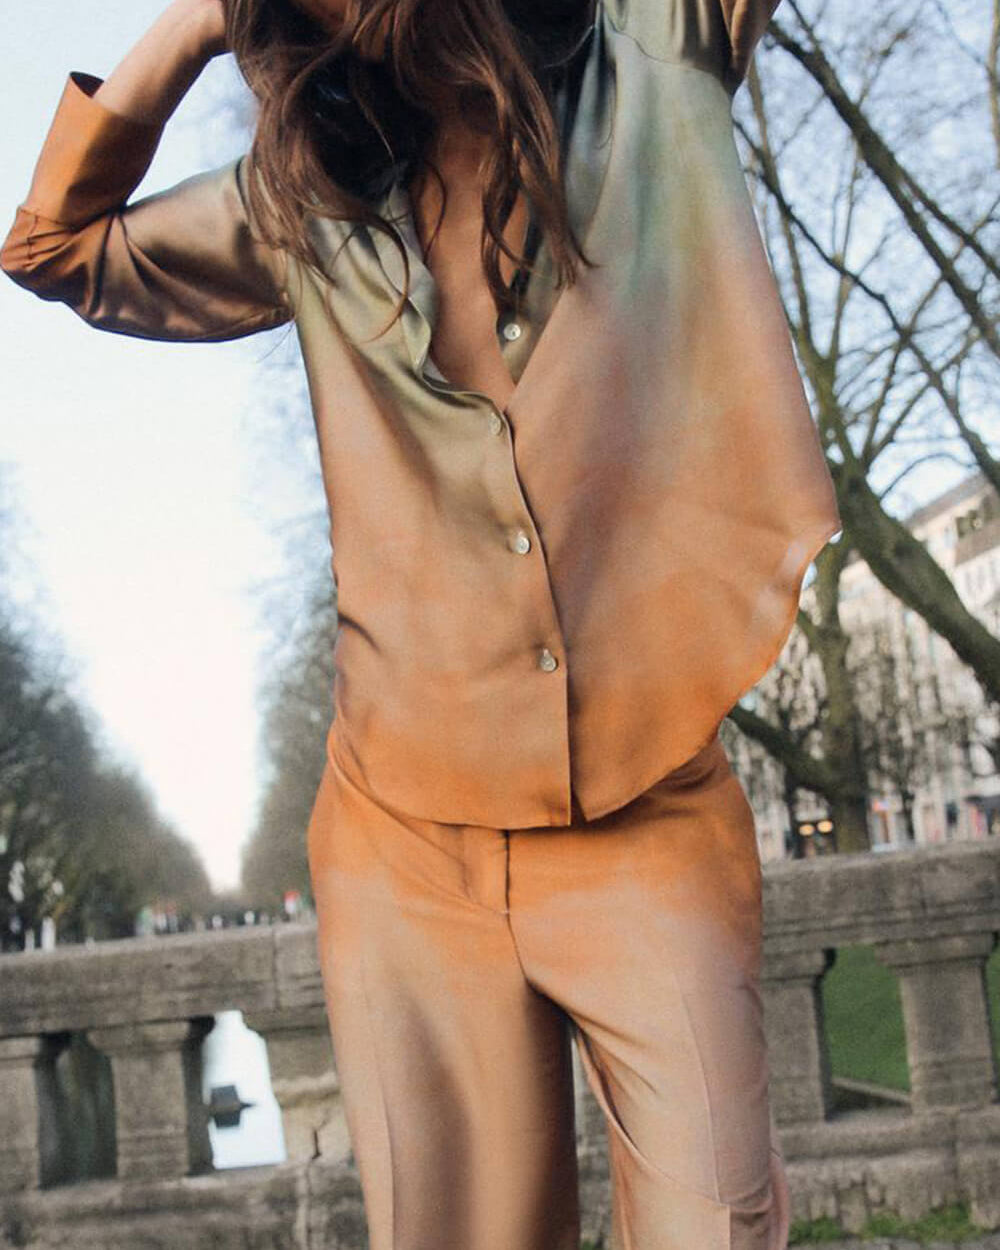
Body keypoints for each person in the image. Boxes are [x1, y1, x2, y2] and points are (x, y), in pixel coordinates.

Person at [1, 0, 842, 1246]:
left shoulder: (659, 45)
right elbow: (52, 245)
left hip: (648, 806)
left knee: (718, 1219)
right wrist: (192, 28)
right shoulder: (300, 208)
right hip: (401, 838)